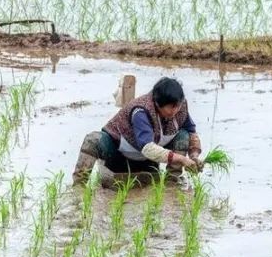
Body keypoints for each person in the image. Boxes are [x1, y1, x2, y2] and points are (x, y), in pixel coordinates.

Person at [73, 77, 203, 187]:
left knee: (183, 136)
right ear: (158, 104)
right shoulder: (141, 111)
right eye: (171, 107)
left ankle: (172, 184)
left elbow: (191, 133)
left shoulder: (180, 107)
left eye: (178, 105)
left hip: (149, 158)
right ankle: (78, 188)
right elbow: (148, 148)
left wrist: (194, 156)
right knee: (93, 139)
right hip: (120, 151)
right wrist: (182, 159)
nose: (176, 110)